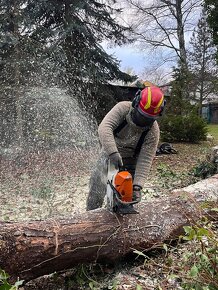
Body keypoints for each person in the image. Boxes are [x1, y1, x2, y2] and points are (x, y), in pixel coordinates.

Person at [86, 85, 165, 211]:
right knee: (95, 194)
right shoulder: (122, 108)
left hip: (130, 163)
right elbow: (104, 128)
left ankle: (116, 224)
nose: (144, 121)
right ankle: (89, 218)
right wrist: (112, 152)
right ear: (136, 103)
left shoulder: (153, 130)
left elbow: (145, 159)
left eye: (148, 119)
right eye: (142, 115)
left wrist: (137, 186)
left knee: (122, 203)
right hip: (108, 156)